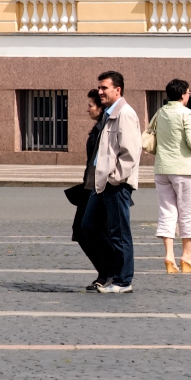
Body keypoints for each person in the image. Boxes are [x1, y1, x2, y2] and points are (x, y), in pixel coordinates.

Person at [81, 71, 141, 294]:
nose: (100, 91)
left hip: (116, 183)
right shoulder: (109, 113)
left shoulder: (125, 114)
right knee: (88, 226)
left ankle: (124, 280)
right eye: (99, 87)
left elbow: (131, 153)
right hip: (102, 182)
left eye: (104, 88)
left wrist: (116, 178)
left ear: (118, 90)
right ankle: (113, 270)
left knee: (119, 231)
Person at [153, 78, 191, 274]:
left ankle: (169, 256)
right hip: (184, 168)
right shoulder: (187, 114)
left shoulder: (160, 112)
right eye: (189, 92)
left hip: (162, 167)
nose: (189, 95)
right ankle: (186, 257)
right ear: (182, 94)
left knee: (167, 211)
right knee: (187, 211)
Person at [64, 89, 109, 291]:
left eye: (90, 105)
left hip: (98, 188)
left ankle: (110, 271)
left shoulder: (104, 129)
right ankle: (105, 271)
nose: (87, 109)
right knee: (82, 230)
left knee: (90, 229)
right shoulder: (97, 128)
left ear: (100, 108)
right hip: (89, 186)